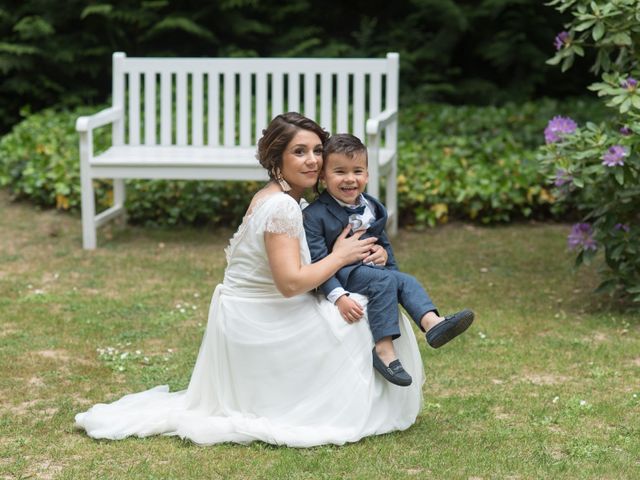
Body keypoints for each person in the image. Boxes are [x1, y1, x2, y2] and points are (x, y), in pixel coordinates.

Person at [75, 113, 425, 447]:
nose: (313, 161)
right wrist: (340, 256)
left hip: (245, 313)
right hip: (261, 321)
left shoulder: (280, 198)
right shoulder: (283, 207)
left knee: (376, 290)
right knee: (366, 309)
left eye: (318, 150)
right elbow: (289, 284)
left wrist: (369, 254)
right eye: (299, 152)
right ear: (277, 159)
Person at [303, 133, 474, 387]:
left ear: (368, 175)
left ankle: (433, 323)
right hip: (343, 273)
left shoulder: (371, 206)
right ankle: (383, 352)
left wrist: (387, 263)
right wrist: (338, 297)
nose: (350, 179)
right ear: (323, 177)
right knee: (384, 282)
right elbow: (318, 261)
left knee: (404, 280)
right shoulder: (315, 215)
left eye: (358, 171)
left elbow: (382, 242)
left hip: (372, 270)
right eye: (340, 171)